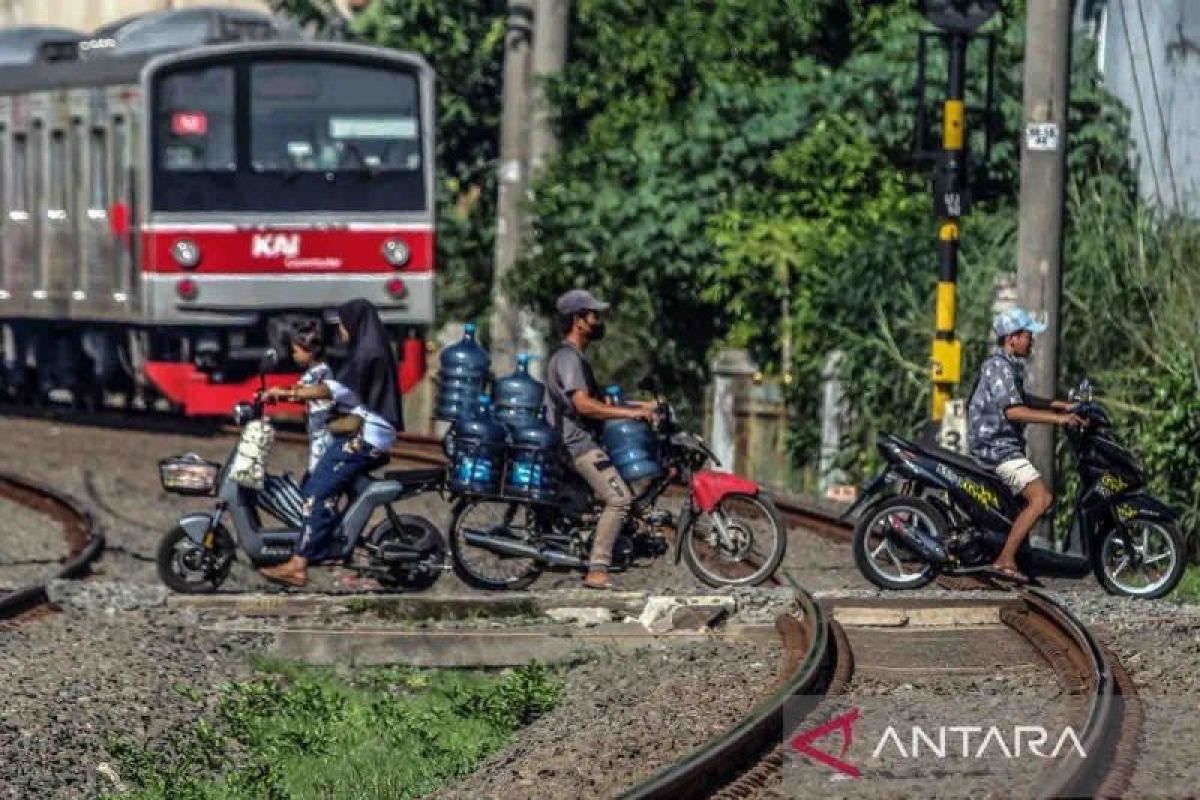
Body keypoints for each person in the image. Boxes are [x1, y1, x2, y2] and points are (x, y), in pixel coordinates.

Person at [259, 299, 404, 587]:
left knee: (318, 489)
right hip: (370, 433)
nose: (339, 331)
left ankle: (299, 564)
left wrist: (287, 394)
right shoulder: (369, 348)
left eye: (342, 324)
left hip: (368, 437)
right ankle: (333, 549)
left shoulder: (366, 352)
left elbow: (331, 390)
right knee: (321, 485)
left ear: (355, 322)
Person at [544, 289, 656, 590]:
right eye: (593, 315)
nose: (598, 321)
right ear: (578, 321)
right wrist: (629, 415)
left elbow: (602, 399)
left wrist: (640, 407)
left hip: (581, 442)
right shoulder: (568, 359)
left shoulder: (577, 359)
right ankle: (597, 569)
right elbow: (583, 405)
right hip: (576, 445)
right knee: (619, 499)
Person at [967, 307, 1083, 585]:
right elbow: (1014, 411)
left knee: (1021, 505)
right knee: (1042, 498)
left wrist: (1063, 405)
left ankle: (1018, 558)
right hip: (996, 449)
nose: (1032, 341)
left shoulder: (1006, 366)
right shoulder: (998, 366)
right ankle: (1005, 560)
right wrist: (1059, 420)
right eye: (1028, 335)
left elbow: (1023, 399)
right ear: (1012, 339)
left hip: (1000, 446)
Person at [289, 321, 334, 477]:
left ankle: (316, 499)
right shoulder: (318, 370)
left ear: (310, 352)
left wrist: (276, 392)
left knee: (317, 471)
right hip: (318, 428)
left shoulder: (318, 372)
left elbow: (298, 391)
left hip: (322, 429)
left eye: (296, 351)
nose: (293, 355)